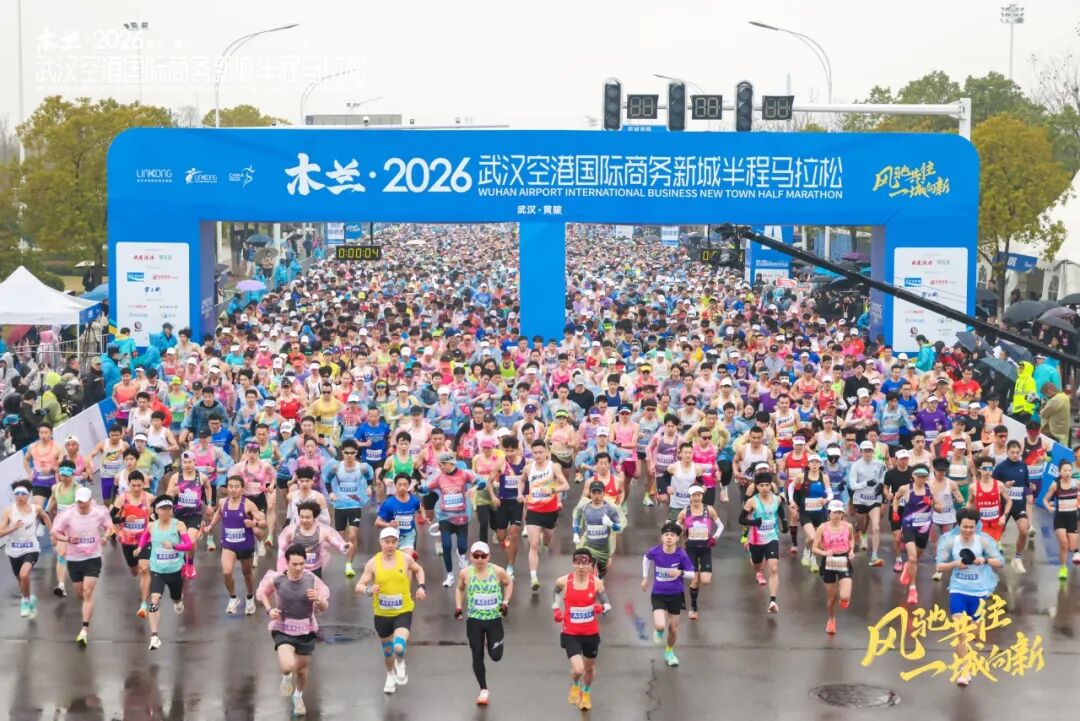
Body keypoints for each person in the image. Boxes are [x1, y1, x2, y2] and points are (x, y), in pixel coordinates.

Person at [257, 542, 331, 717]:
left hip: (306, 628)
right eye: (294, 564)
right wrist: (269, 610)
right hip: (283, 627)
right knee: (288, 666)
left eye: (301, 564)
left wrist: (318, 599)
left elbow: (324, 607)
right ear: (286, 562)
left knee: (302, 669)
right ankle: (286, 675)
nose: (298, 568)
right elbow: (263, 593)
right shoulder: (278, 579)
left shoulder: (312, 579)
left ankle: (298, 696)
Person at [934, 508, 1005, 687]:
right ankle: (964, 670)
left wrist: (985, 560)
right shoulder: (951, 542)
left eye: (971, 527)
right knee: (960, 633)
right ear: (959, 525)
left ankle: (967, 653)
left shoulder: (983, 541)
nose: (968, 530)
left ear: (976, 526)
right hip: (958, 590)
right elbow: (939, 566)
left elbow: (1000, 562)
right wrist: (954, 564)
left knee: (974, 635)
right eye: (965, 527)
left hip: (979, 593)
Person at [356, 526, 428, 695]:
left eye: (393, 542)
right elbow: (359, 585)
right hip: (382, 613)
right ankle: (390, 675)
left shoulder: (405, 558)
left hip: (403, 610)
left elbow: (418, 570)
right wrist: (369, 590)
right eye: (386, 542)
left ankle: (400, 661)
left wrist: (422, 586)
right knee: (388, 651)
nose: (390, 545)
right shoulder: (373, 563)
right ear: (380, 542)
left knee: (398, 647)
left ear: (398, 542)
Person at [50, 486, 113, 646]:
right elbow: (55, 532)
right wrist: (68, 539)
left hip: (93, 556)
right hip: (74, 558)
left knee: (88, 591)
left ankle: (84, 630)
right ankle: (86, 606)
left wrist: (106, 536)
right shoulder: (68, 515)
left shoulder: (99, 513)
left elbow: (109, 526)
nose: (82, 504)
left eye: (84, 501)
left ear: (90, 500)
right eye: (79, 501)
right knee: (80, 593)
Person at [454, 540, 513, 706]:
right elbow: (459, 588)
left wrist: (505, 602)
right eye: (476, 555)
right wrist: (458, 607)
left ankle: (490, 642)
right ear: (471, 556)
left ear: (488, 556)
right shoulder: (465, 573)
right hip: (475, 620)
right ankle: (483, 690)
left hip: (494, 619)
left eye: (483, 556)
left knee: (496, 656)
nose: (479, 559)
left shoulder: (498, 571)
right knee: (477, 653)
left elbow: (508, 583)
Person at [552, 547, 611, 712]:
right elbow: (556, 593)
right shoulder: (563, 581)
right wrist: (556, 608)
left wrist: (602, 608)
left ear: (591, 565)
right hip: (570, 633)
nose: (581, 567)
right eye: (577, 563)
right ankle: (576, 683)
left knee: (590, 668)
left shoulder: (596, 583)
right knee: (578, 669)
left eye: (585, 563)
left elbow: (607, 603)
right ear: (573, 563)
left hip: (591, 633)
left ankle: (586, 692)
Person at [137, 496, 195, 650]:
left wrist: (174, 546)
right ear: (157, 511)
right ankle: (154, 636)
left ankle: (178, 600)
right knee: (154, 599)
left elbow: (189, 545)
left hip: (174, 571)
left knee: (176, 597)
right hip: (157, 570)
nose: (167, 512)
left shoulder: (178, 525)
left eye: (169, 509)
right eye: (163, 509)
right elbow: (145, 536)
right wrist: (140, 547)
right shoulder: (152, 526)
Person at [203, 474, 266, 614]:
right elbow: (219, 514)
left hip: (245, 545)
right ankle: (233, 597)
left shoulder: (248, 504)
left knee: (247, 573)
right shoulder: (223, 502)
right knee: (226, 571)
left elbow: (263, 522)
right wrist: (210, 526)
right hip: (228, 544)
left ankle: (250, 597)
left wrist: (254, 523)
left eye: (236, 487)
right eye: (230, 486)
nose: (233, 489)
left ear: (242, 489)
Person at [421, 452, 484, 587]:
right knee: (446, 545)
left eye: (441, 465)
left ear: (450, 464)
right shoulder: (439, 477)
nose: (440, 468)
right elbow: (426, 489)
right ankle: (450, 575)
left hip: (461, 517)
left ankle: (461, 555)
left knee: (462, 547)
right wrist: (419, 488)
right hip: (445, 517)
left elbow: (482, 482)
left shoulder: (464, 474)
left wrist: (475, 487)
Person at [641, 522, 694, 666]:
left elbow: (692, 573)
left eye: (672, 535)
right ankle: (659, 631)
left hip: (676, 594)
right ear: (662, 537)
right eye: (666, 535)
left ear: (677, 538)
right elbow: (646, 558)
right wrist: (645, 577)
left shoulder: (681, 555)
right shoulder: (655, 551)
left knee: (673, 628)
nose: (669, 537)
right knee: (660, 625)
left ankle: (669, 652)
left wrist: (680, 572)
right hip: (658, 593)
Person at [520, 440, 569, 592]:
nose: (538, 455)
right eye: (535, 453)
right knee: (534, 544)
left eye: (541, 452)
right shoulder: (529, 468)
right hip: (533, 510)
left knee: (547, 541)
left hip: (550, 510)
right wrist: (520, 494)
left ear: (547, 452)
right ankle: (533, 578)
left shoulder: (553, 467)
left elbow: (566, 485)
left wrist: (552, 490)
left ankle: (545, 544)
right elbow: (521, 481)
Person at [0, 480, 52, 619]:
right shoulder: (9, 511)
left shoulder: (36, 508)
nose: (20, 496)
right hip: (13, 550)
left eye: (23, 493)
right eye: (17, 493)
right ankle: (29, 598)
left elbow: (45, 516)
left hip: (31, 548)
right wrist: (12, 528)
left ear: (28, 494)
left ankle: (25, 601)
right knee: (20, 580)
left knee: (24, 575)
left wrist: (53, 533)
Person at [324, 438, 374, 577]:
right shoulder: (336, 467)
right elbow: (327, 480)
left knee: (352, 535)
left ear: (356, 453)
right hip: (340, 505)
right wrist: (331, 493)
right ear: (343, 452)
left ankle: (349, 564)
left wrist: (369, 487)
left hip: (355, 505)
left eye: (352, 453)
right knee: (340, 535)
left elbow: (370, 478)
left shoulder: (362, 467)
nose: (350, 455)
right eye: (347, 453)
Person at [891, 465, 938, 606]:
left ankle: (908, 568)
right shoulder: (905, 489)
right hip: (909, 527)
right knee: (912, 558)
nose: (921, 479)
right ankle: (912, 589)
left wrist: (932, 503)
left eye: (924, 477)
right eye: (919, 476)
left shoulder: (931, 489)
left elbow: (939, 507)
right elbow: (896, 498)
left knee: (915, 560)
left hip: (924, 529)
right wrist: (895, 512)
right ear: (913, 476)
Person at [739, 472, 786, 612]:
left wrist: (784, 521)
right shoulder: (752, 501)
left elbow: (779, 509)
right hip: (756, 539)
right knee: (757, 565)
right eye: (761, 485)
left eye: (767, 485)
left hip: (772, 537)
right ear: (757, 487)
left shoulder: (777, 499)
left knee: (773, 568)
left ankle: (773, 601)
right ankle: (755, 562)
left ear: (771, 486)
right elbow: (741, 520)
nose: (765, 488)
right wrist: (754, 522)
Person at [675, 485, 722, 619]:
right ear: (690, 497)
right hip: (691, 549)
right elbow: (676, 529)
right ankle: (693, 607)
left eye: (699, 495)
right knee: (695, 581)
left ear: (702, 496)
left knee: (705, 581)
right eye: (694, 495)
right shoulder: (684, 512)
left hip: (705, 548)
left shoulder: (709, 510)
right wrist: (679, 532)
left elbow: (720, 526)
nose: (696, 498)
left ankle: (697, 571)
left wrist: (715, 537)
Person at [110, 470, 152, 616]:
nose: (136, 488)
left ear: (144, 484)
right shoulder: (122, 499)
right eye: (133, 485)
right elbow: (111, 518)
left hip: (145, 539)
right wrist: (124, 519)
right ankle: (142, 577)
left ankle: (144, 604)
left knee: (144, 568)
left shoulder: (149, 498)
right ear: (128, 484)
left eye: (139, 485)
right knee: (134, 571)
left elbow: (162, 511)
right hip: (127, 540)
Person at [276, 501, 351, 579]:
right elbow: (282, 548)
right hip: (295, 567)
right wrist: (281, 567)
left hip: (314, 568)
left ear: (314, 517)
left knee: (314, 586)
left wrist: (344, 546)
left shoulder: (322, 531)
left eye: (307, 517)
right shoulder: (291, 531)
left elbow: (338, 544)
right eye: (301, 517)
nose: (304, 520)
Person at [812, 500, 855, 634]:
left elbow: (851, 539)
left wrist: (851, 550)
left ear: (843, 514)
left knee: (845, 597)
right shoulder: (822, 528)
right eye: (835, 512)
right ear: (829, 513)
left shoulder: (848, 526)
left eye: (839, 512)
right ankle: (831, 619)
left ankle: (843, 596)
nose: (837, 515)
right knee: (832, 598)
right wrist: (824, 553)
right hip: (828, 562)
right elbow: (814, 548)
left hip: (843, 560)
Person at [572, 481, 623, 579]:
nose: (596, 496)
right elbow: (577, 518)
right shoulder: (584, 508)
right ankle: (590, 584)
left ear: (604, 493)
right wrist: (575, 533)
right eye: (594, 492)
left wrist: (611, 524)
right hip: (588, 546)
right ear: (590, 493)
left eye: (599, 493)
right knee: (588, 568)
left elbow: (619, 527)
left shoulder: (610, 509)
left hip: (603, 549)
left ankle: (599, 578)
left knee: (602, 570)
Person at [848, 440, 886, 566]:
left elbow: (884, 475)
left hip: (874, 499)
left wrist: (881, 484)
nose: (868, 453)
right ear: (861, 452)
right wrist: (865, 483)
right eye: (865, 451)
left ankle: (874, 556)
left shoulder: (879, 464)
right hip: (860, 500)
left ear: (873, 451)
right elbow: (852, 485)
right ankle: (861, 533)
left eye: (870, 451)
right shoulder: (856, 465)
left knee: (876, 527)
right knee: (861, 524)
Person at [1040, 460, 1080, 580]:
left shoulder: (1076, 483)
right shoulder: (1055, 485)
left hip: (1073, 518)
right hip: (1060, 518)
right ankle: (1063, 568)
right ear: (1060, 472)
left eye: (1069, 470)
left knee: (1072, 547)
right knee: (1064, 544)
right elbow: (1045, 499)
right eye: (1065, 470)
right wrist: (1049, 507)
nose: (1067, 473)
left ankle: (1076, 552)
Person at [375, 473, 423, 555]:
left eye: (405, 485)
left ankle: (410, 557)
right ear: (395, 486)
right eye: (399, 485)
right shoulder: (389, 503)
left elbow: (421, 509)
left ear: (409, 486)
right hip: (392, 537)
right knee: (393, 561)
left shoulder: (414, 501)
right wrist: (388, 524)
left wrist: (424, 517)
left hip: (408, 536)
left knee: (406, 558)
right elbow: (377, 522)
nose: (402, 487)